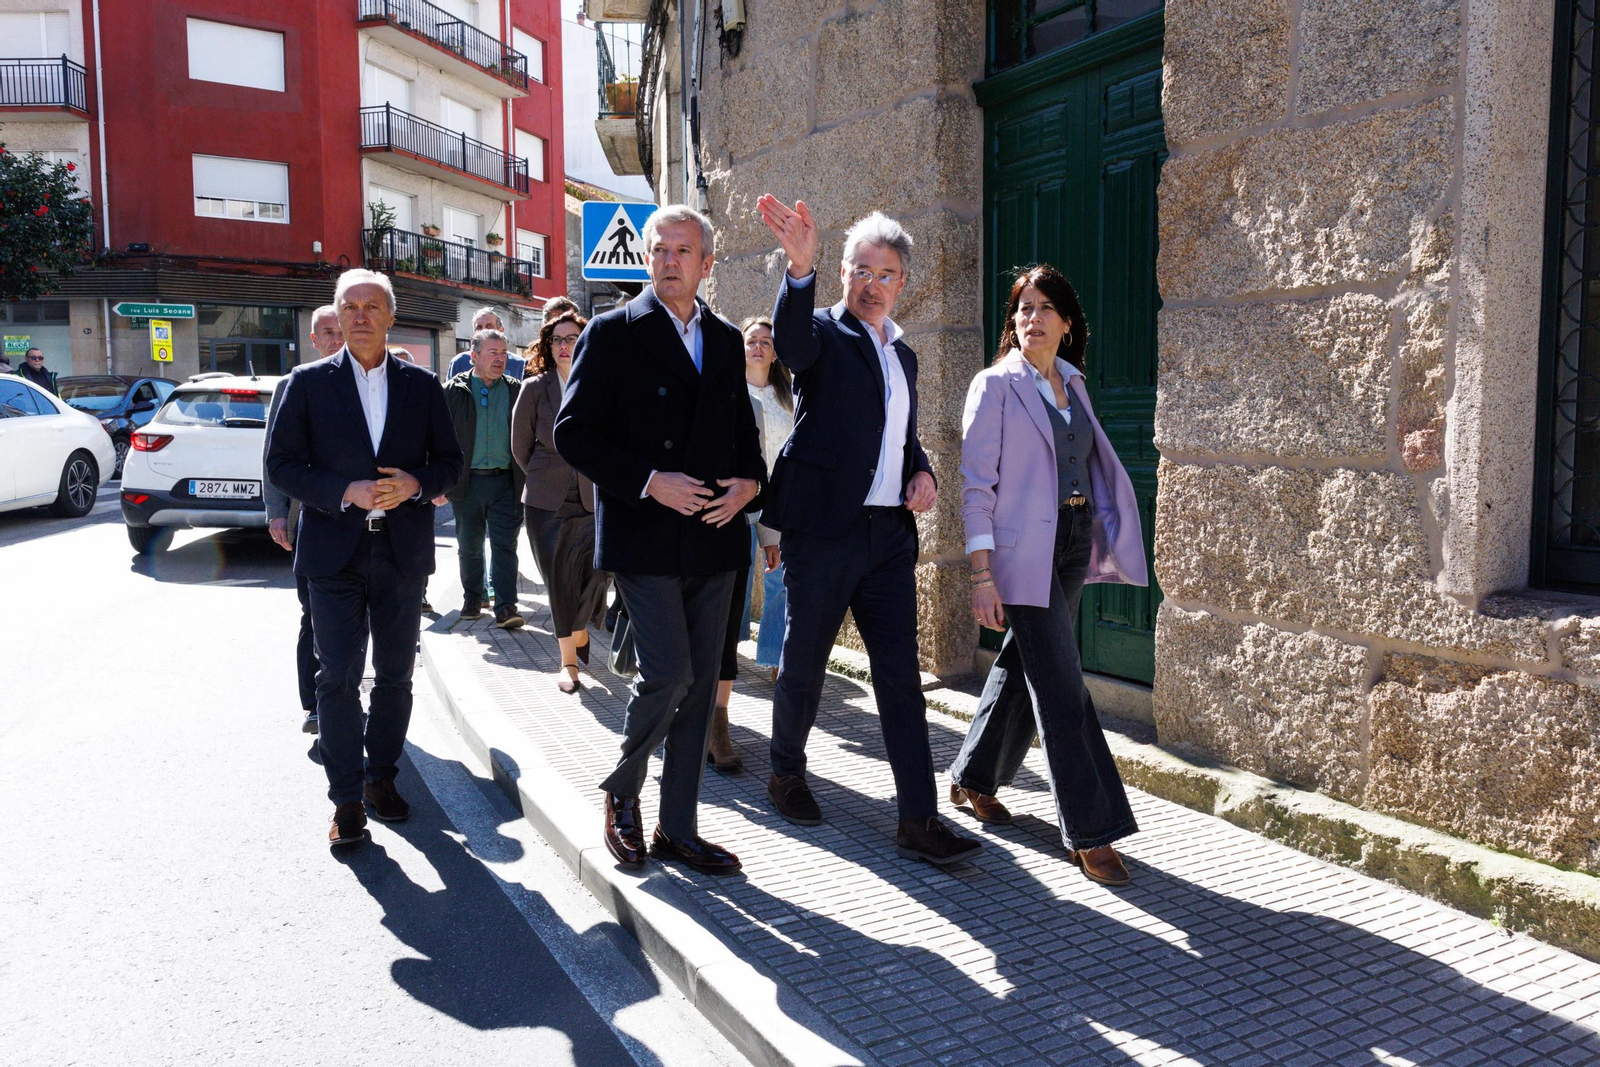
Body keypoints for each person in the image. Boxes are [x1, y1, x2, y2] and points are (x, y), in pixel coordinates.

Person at [756, 198, 981, 867]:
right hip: (825, 529)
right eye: (860, 268)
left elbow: (901, 438)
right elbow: (791, 347)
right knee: (806, 659)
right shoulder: (823, 332)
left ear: (901, 281)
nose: (870, 282)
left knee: (900, 681)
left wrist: (924, 473)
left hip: (888, 538)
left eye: (884, 272)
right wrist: (801, 272)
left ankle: (917, 817)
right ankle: (785, 771)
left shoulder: (902, 355)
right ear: (845, 272)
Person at [553, 205, 765, 875]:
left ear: (707, 262)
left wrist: (749, 487)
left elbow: (744, 439)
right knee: (668, 671)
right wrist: (648, 481)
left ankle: (679, 828)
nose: (670, 260)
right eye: (660, 249)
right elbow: (573, 432)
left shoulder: (728, 340)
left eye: (684, 250)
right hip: (645, 536)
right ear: (648, 260)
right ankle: (621, 790)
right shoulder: (613, 332)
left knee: (701, 686)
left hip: (716, 536)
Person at [951, 265, 1148, 887]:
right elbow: (976, 487)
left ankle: (971, 777)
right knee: (1063, 686)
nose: (1031, 318)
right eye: (1022, 308)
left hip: (1072, 539)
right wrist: (982, 574)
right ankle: (1093, 832)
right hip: (1019, 554)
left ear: (1066, 322)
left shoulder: (1073, 383)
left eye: (1044, 308)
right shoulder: (994, 386)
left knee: (1022, 664)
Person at [266, 268, 464, 847]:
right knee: (338, 676)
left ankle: (382, 777)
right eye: (348, 306)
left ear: (390, 317)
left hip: (401, 553)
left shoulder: (422, 386)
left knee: (397, 676)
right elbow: (281, 465)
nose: (359, 315)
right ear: (337, 315)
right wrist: (340, 491)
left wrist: (415, 483)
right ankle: (346, 800)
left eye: (371, 306)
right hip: (334, 550)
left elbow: (450, 463)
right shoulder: (306, 384)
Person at [511, 311, 610, 693]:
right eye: (558, 339)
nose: (565, 345)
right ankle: (568, 662)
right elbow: (520, 447)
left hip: (592, 495)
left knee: (599, 573)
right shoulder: (535, 387)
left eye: (573, 338)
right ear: (549, 347)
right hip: (546, 500)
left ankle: (579, 630)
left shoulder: (601, 385)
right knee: (559, 581)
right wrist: (545, 473)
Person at [264, 304, 347, 734]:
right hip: (305, 518)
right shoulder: (293, 385)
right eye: (326, 334)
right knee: (312, 614)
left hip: (354, 521)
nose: (335, 340)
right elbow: (274, 458)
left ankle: (341, 694)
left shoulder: (359, 381)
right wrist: (276, 513)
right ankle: (314, 703)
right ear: (313, 340)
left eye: (340, 331)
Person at [440, 329, 525, 629]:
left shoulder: (517, 390)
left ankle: (506, 606)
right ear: (474, 356)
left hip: (506, 482)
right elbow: (437, 437)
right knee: (470, 545)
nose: (500, 359)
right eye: (493, 353)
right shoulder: (452, 390)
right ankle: (473, 597)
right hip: (467, 482)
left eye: (503, 353)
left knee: (505, 545)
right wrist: (439, 481)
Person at [741, 316, 793, 683]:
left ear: (775, 354)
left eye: (766, 342)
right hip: (743, 495)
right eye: (752, 341)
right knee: (738, 575)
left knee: (780, 578)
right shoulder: (731, 392)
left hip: (781, 495)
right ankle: (727, 647)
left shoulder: (787, 397)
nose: (759, 346)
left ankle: (775, 656)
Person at [448, 308, 527, 378]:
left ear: (501, 330)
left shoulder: (519, 364)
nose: (484, 331)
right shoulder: (459, 362)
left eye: (489, 327)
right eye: (479, 328)